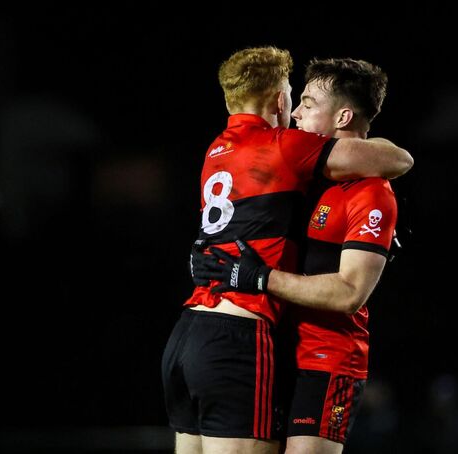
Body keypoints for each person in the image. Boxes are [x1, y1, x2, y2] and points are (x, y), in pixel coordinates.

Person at [160, 46, 413, 454]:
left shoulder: (370, 191)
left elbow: (350, 293)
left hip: (324, 358)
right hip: (271, 346)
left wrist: (259, 277)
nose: (295, 113)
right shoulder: (301, 171)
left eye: (308, 103)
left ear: (342, 117)